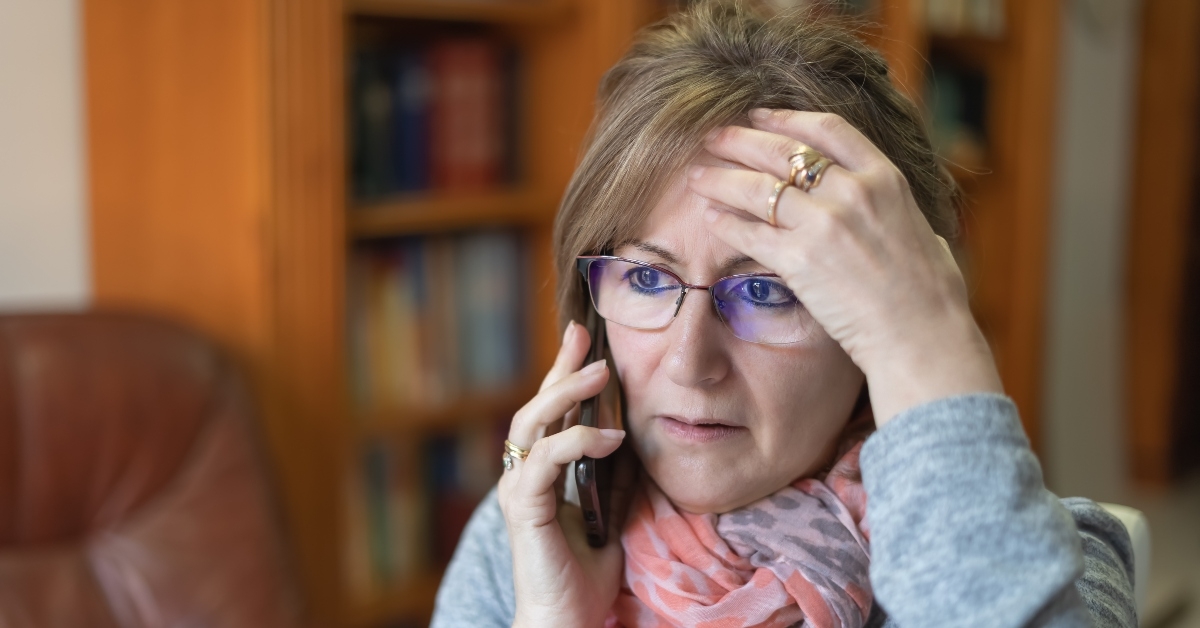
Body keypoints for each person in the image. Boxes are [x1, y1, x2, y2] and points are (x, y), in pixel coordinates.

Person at [431, 1, 1137, 626]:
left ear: (882, 324)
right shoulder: (528, 530)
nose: (688, 363)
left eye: (768, 291)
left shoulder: (1048, 563)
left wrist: (931, 346)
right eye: (647, 277)